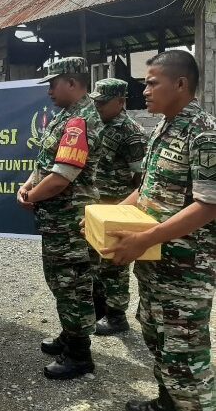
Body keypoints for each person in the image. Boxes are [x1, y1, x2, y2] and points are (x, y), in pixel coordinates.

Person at [100, 51, 215, 411]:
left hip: (186, 270)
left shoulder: (204, 134)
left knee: (186, 355)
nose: (144, 91)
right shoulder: (163, 127)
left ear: (180, 84)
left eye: (152, 83)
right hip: (155, 264)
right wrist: (110, 213)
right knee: (155, 334)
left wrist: (145, 239)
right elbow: (148, 188)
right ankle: (168, 403)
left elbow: (209, 205)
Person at [16, 57, 104, 380]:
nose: (49, 90)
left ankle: (80, 356)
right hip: (57, 221)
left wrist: (31, 196)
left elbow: (62, 177)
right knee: (59, 281)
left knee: (73, 285)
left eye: (54, 83)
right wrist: (28, 186)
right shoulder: (65, 117)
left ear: (72, 82)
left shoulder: (80, 121)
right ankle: (70, 333)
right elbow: (44, 165)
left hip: (70, 223)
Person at [88, 78, 147, 336]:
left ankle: (116, 316)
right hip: (97, 205)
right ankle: (99, 308)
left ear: (121, 102)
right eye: (96, 102)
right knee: (95, 261)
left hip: (118, 207)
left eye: (103, 102)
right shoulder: (99, 125)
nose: (98, 106)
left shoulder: (132, 133)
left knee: (114, 264)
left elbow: (141, 179)